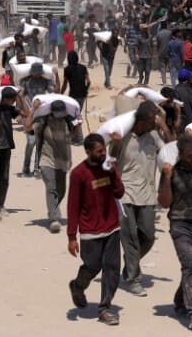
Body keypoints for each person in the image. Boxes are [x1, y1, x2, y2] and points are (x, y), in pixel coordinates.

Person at [67, 133, 125, 326]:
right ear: (88, 151)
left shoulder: (108, 168)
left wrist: (113, 172)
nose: (103, 154)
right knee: (92, 265)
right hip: (90, 230)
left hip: (112, 227)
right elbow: (73, 206)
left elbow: (119, 192)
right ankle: (77, 286)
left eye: (104, 150)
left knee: (112, 267)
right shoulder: (78, 174)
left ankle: (105, 308)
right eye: (99, 151)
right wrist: (71, 237)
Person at [109, 101, 164, 297]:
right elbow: (110, 161)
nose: (155, 123)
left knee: (148, 236)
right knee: (130, 236)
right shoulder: (123, 136)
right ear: (141, 120)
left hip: (148, 195)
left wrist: (165, 127)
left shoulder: (154, 137)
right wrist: (115, 143)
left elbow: (170, 153)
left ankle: (130, 265)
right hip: (124, 195)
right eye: (152, 120)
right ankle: (134, 279)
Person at [158, 135, 192, 330]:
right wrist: (166, 179)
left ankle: (180, 300)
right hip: (180, 225)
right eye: (189, 156)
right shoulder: (171, 172)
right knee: (189, 266)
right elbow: (164, 203)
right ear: (180, 155)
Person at [25, 99, 73, 233]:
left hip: (62, 161)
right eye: (58, 114)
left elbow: (71, 136)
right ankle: (54, 219)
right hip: (47, 160)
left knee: (61, 190)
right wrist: (33, 110)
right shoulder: (43, 122)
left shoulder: (67, 121)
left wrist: (78, 126)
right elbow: (27, 127)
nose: (60, 116)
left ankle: (52, 211)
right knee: (51, 188)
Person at [0, 87, 27, 222]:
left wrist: (21, 98)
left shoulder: (10, 109)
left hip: (6, 146)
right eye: (13, 99)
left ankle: (1, 205)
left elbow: (27, 114)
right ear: (6, 99)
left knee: (5, 178)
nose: (14, 102)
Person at [21, 62, 55, 177]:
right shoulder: (26, 82)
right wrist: (21, 113)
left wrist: (55, 76)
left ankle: (37, 168)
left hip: (41, 115)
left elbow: (54, 91)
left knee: (40, 143)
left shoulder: (45, 81)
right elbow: (20, 97)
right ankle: (26, 167)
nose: (37, 74)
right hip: (29, 114)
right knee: (31, 142)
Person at [62, 50, 90, 144]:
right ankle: (74, 137)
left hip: (73, 96)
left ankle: (79, 138)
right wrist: (86, 89)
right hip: (83, 95)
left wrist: (61, 93)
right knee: (75, 115)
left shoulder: (67, 69)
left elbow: (65, 84)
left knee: (74, 117)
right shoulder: (83, 67)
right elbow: (89, 81)